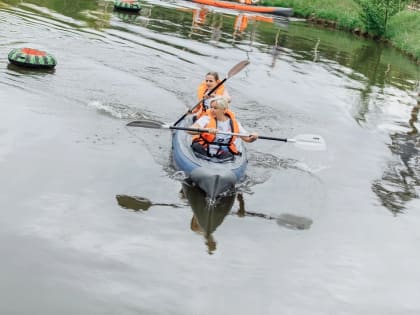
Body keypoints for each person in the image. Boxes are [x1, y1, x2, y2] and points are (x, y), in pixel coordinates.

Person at [188, 96, 258, 159]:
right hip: (204, 147)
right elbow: (190, 130)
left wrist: (253, 137)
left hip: (222, 151)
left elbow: (247, 139)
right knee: (196, 146)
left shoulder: (234, 123)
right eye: (211, 107)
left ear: (224, 110)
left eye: (215, 108)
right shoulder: (206, 119)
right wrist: (205, 130)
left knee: (228, 155)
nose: (212, 110)